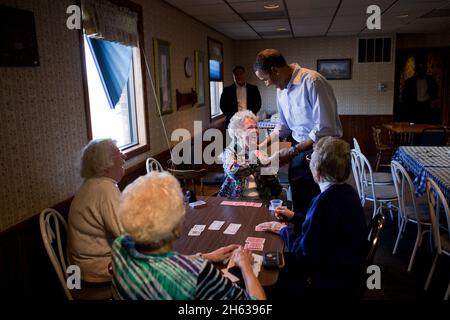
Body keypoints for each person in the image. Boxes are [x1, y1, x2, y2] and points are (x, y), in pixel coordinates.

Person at [112, 171, 266, 300]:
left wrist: (206, 256)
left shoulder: (120, 246)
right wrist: (246, 267)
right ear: (177, 228)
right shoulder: (198, 274)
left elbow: (160, 265)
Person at [256, 137, 367, 298]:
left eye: (310, 159)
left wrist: (283, 229)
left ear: (317, 171)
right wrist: (294, 217)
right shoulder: (348, 192)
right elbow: (322, 227)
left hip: (328, 280)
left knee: (267, 272)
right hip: (348, 269)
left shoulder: (323, 202)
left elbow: (303, 254)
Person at [254, 49, 343, 214]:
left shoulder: (313, 81)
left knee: (320, 204)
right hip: (299, 149)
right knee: (299, 197)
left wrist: (293, 150)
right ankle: (301, 235)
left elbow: (325, 127)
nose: (266, 83)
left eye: (265, 79)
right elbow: (283, 125)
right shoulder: (281, 90)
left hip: (323, 150)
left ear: (275, 70)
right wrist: (260, 145)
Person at [67, 138, 125, 299]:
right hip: (95, 272)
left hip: (79, 268)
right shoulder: (105, 188)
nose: (123, 157)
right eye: (118, 154)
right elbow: (125, 233)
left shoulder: (90, 184)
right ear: (106, 165)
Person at [218, 110, 282, 205]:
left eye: (256, 127)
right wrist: (259, 161)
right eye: (250, 127)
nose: (255, 131)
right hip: (234, 203)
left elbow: (275, 187)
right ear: (238, 133)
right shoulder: (230, 152)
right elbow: (234, 171)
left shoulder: (261, 153)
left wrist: (270, 168)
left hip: (260, 202)